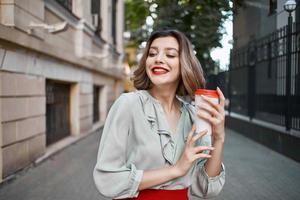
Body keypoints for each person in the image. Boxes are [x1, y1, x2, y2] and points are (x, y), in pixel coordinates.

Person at [93, 29, 226, 200]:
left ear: (184, 63)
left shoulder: (194, 115)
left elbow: (206, 188)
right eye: (152, 53)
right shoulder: (128, 104)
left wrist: (219, 137)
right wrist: (176, 170)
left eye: (170, 55)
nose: (158, 59)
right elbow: (108, 179)